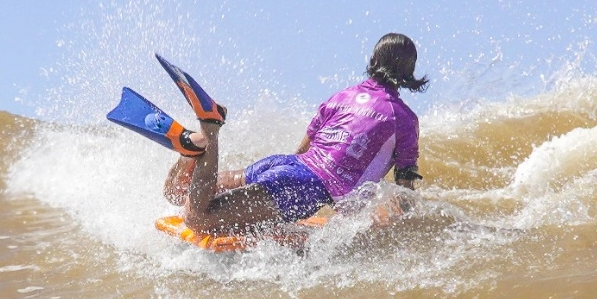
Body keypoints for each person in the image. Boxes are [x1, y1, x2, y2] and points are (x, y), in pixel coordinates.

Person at [165, 33, 427, 234]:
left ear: (373, 61)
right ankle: (210, 131)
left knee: (179, 193)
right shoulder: (403, 119)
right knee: (199, 218)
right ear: (408, 72)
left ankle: (191, 152)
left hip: (285, 164)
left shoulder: (342, 96)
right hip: (304, 187)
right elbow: (405, 192)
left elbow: (302, 151)